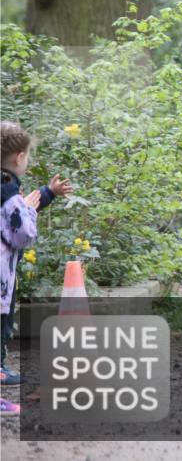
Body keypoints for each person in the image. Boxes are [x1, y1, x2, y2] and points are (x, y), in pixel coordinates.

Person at [0, 121, 73, 414]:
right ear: (19, 157)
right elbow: (22, 233)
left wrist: (45, 194)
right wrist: (29, 208)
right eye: (28, 156)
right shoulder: (8, 192)